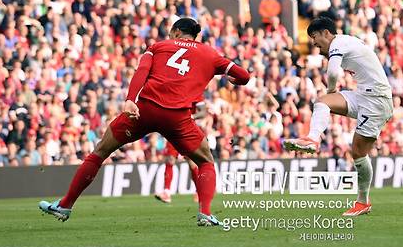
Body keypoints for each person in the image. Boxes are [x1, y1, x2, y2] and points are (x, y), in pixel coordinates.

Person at [39, 18, 250, 226]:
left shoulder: (158, 47)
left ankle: (65, 205)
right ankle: (205, 213)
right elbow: (244, 75)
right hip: (177, 118)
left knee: (100, 152)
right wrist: (234, 79)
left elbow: (141, 72)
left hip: (144, 110)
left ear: (176, 32)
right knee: (205, 161)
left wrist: (131, 100)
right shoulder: (210, 54)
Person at [283, 16, 394, 216]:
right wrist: (331, 94)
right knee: (322, 102)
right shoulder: (346, 42)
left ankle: (363, 202)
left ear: (327, 33)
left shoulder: (338, 43)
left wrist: (332, 89)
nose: (314, 44)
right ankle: (313, 139)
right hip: (364, 95)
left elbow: (333, 73)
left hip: (377, 100)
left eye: (315, 37)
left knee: (358, 152)